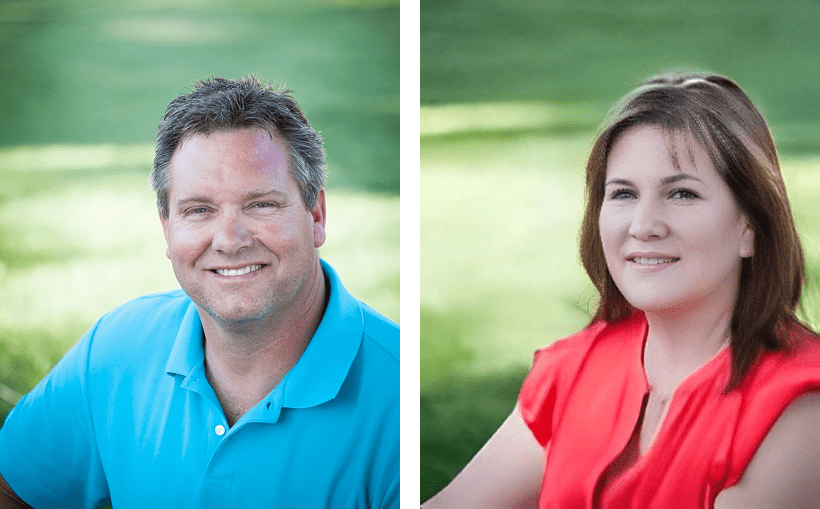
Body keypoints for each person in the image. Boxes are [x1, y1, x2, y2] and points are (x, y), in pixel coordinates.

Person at [422, 73, 820, 508]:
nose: (644, 225)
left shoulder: (798, 404)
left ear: (750, 225)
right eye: (624, 194)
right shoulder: (574, 368)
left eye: (682, 193)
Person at [0, 76, 399, 508]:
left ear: (316, 214)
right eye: (199, 210)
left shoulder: (396, 392)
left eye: (261, 204)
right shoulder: (116, 348)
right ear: (167, 229)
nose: (229, 240)